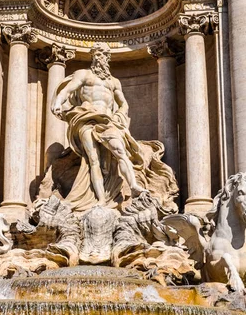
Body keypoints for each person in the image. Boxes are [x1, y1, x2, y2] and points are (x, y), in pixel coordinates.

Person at [51, 42, 178, 212]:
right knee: (93, 159)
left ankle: (133, 185)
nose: (100, 58)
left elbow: (123, 104)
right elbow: (67, 90)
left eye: (103, 55)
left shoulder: (113, 82)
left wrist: (119, 117)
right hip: (86, 119)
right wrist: (58, 102)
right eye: (97, 55)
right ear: (93, 57)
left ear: (107, 59)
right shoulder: (84, 75)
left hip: (108, 121)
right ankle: (101, 199)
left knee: (120, 152)